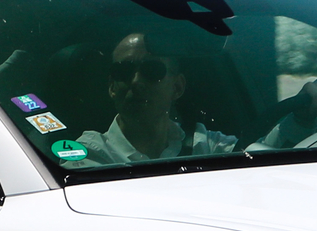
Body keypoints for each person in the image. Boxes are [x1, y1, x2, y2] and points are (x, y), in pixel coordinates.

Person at [73, 33, 241, 165]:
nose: (136, 81)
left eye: (152, 70)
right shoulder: (90, 155)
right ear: (112, 87)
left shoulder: (205, 145)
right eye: (124, 71)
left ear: (177, 87)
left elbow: (260, 151)